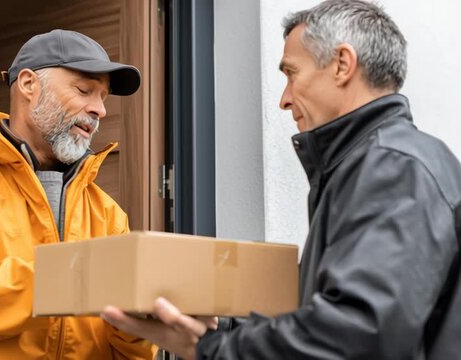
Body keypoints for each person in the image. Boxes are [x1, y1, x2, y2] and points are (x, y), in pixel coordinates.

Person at [101, 1, 461, 358]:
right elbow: (327, 320)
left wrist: (212, 349)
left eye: (291, 73)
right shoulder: (371, 164)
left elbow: (356, 337)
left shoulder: (392, 169)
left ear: (342, 64)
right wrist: (221, 328)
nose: (284, 100)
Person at [0, 29, 156, 359]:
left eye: (103, 97)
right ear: (28, 85)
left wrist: (140, 320)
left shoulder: (107, 214)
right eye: (84, 90)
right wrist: (69, 279)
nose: (100, 110)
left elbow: (127, 352)